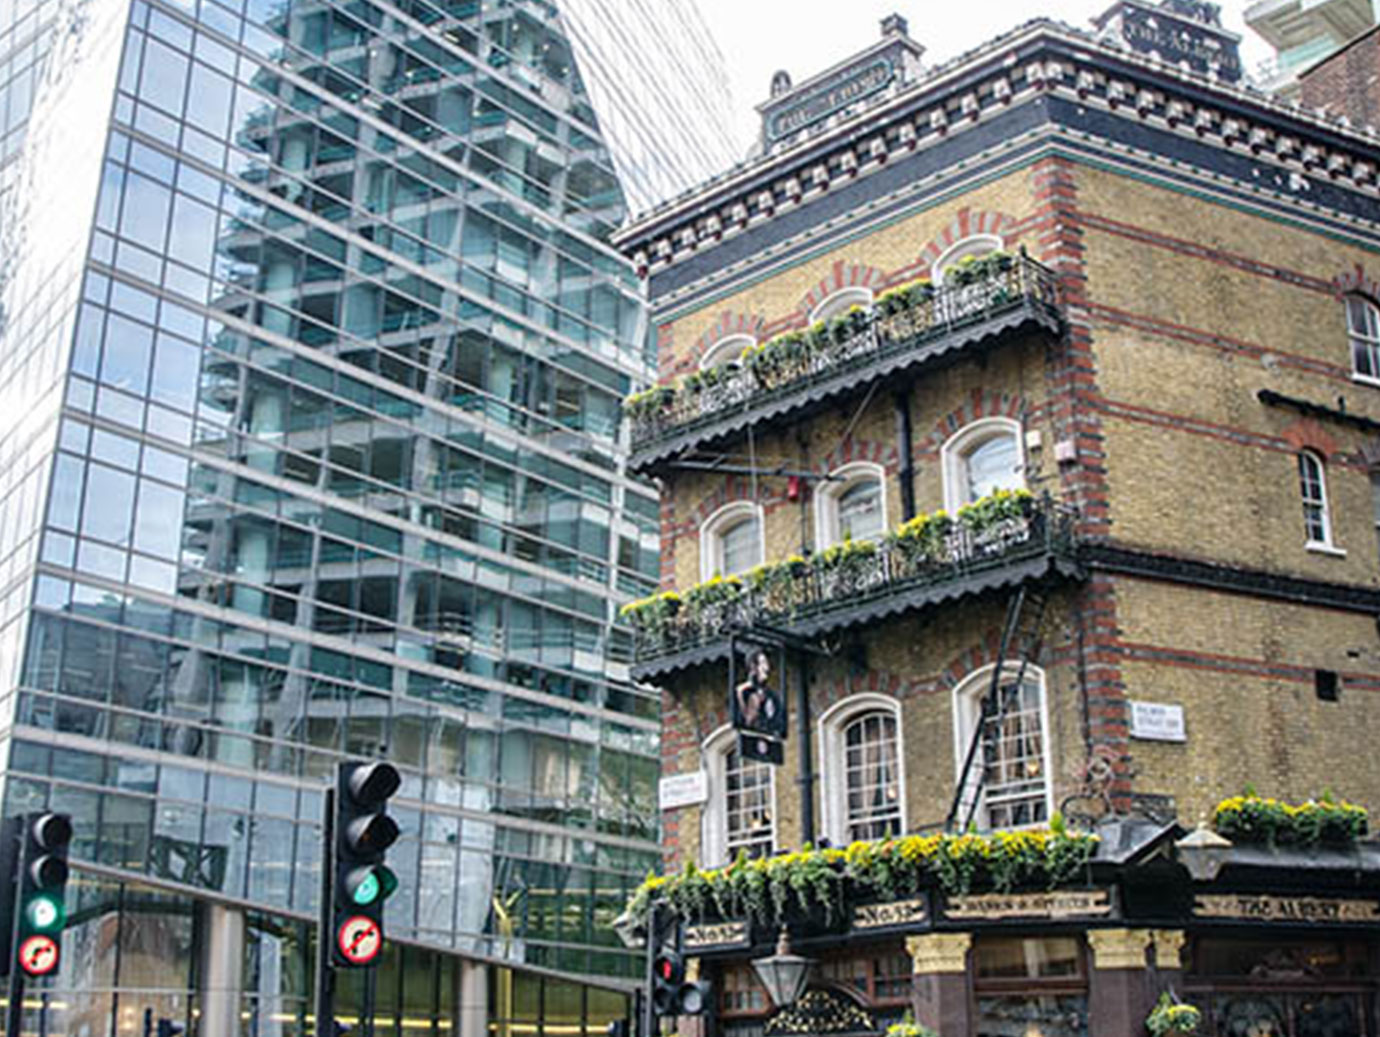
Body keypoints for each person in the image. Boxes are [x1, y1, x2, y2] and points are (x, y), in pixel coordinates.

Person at [735, 648, 785, 738]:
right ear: (753, 667)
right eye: (763, 663)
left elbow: (778, 722)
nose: (767, 668)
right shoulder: (743, 691)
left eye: (766, 663)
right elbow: (743, 722)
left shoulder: (773, 696)